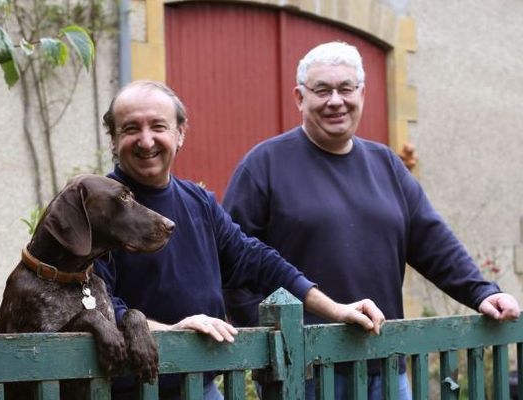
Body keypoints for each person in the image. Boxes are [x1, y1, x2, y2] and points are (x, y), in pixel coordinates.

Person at [222, 41, 520, 400]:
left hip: (384, 362)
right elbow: (232, 264)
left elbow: (431, 240)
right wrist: (269, 347)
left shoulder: (387, 165)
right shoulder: (263, 166)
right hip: (304, 371)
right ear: (300, 98)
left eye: (346, 88)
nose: (336, 100)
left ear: (362, 94)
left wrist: (482, 292)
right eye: (322, 90)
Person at [94, 80, 386, 400]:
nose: (146, 140)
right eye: (131, 128)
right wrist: (171, 334)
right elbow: (99, 306)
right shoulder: (98, 211)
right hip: (131, 391)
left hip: (200, 388)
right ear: (114, 139)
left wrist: (336, 309)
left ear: (180, 133)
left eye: (159, 126)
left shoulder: (199, 203)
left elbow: (258, 262)